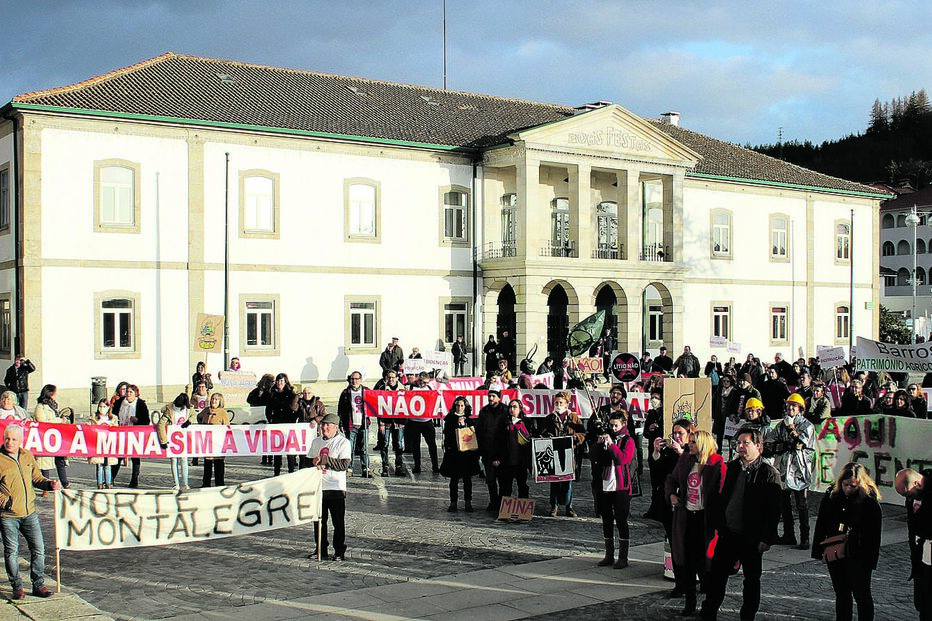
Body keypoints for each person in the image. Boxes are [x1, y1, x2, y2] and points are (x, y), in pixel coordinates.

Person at [701, 427, 781, 621]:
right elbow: (722, 497)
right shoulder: (734, 467)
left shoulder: (768, 473)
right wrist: (719, 522)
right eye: (739, 443)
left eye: (745, 443)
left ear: (758, 446)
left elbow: (773, 510)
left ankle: (747, 616)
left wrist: (766, 537)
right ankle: (709, 611)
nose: (741, 447)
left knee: (751, 580)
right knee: (717, 576)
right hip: (728, 533)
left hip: (752, 537)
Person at [666, 430, 726, 616]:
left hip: (706, 520)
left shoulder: (717, 463)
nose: (689, 445)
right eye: (689, 441)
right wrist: (672, 495)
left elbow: (723, 492)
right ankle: (689, 603)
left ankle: (709, 603)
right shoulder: (685, 460)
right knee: (688, 563)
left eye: (693, 442)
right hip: (687, 517)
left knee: (707, 563)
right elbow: (671, 479)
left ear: (703, 443)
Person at [812, 462, 882, 621]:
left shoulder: (869, 502)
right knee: (841, 592)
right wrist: (818, 550)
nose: (848, 488)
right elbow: (821, 523)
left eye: (853, 486)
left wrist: (870, 561)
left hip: (858, 555)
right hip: (835, 551)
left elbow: (874, 536)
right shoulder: (832, 496)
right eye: (846, 485)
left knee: (861, 594)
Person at [0, 423, 59, 599]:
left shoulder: (27, 456)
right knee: (12, 552)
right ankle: (17, 587)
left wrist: (49, 484)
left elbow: (36, 478)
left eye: (13, 439)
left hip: (29, 513)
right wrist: (5, 502)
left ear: (21, 441)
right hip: (8, 516)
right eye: (7, 438)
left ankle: (38, 585)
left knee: (39, 549)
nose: (9, 442)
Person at [771, 393, 815, 549]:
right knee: (784, 504)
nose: (790, 408)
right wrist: (784, 445)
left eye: (794, 406)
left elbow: (800, 443)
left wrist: (791, 430)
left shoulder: (807, 425)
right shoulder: (779, 425)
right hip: (783, 468)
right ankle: (789, 535)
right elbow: (771, 445)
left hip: (799, 469)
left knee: (801, 504)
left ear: (800, 409)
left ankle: (805, 538)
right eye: (789, 405)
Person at [592, 413, 635, 570]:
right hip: (604, 484)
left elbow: (623, 459)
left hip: (620, 486)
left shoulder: (628, 440)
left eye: (616, 425)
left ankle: (623, 557)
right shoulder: (606, 436)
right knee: (606, 519)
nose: (613, 428)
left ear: (623, 424)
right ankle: (609, 554)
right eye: (611, 425)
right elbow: (592, 456)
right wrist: (598, 444)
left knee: (621, 520)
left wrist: (611, 445)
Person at [308, 412, 351, 562]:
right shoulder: (316, 442)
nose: (324, 427)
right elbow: (307, 462)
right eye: (322, 425)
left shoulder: (343, 443)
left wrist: (325, 460)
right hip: (319, 487)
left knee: (338, 522)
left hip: (335, 487)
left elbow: (344, 465)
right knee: (319, 521)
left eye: (327, 425)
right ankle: (320, 548)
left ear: (335, 427)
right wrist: (312, 462)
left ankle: (339, 550)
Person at [540, 392, 586, 517]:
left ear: (567, 404)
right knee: (554, 480)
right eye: (557, 403)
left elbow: (582, 433)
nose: (559, 405)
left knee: (568, 480)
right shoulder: (550, 418)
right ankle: (554, 506)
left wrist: (577, 437)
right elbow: (543, 432)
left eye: (561, 403)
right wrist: (546, 437)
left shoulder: (574, 417)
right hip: (554, 452)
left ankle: (568, 506)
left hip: (570, 452)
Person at [896, 467, 932, 620]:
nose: (908, 498)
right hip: (920, 557)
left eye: (907, 493)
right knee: (922, 603)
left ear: (917, 483)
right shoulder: (913, 496)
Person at [439, 396, 480, 512]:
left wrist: (466, 426)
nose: (459, 407)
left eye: (462, 405)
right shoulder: (450, 419)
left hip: (467, 453)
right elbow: (447, 434)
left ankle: (468, 502)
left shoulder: (470, 419)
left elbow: (473, 434)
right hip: (454, 453)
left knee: (467, 479)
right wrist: (457, 424)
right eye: (457, 405)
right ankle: (453, 502)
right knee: (454, 479)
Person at [111, 384, 149, 488]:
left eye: (130, 392)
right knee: (118, 457)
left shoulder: (140, 404)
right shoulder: (120, 402)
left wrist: (137, 420)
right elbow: (113, 414)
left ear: (135, 393)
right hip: (121, 433)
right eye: (127, 391)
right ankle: (111, 479)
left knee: (135, 458)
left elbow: (146, 420)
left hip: (134, 434)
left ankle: (134, 480)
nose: (128, 394)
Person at [155, 393, 196, 490]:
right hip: (171, 438)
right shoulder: (169, 410)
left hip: (183, 438)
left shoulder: (188, 409)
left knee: (184, 460)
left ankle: (185, 483)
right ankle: (176, 483)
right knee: (174, 460)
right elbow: (161, 424)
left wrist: (189, 421)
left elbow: (193, 414)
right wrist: (163, 440)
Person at [32, 385, 69, 489]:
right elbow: (42, 421)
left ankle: (65, 483)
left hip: (57, 436)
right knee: (45, 464)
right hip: (46, 436)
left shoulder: (54, 405)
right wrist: (59, 421)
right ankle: (46, 485)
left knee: (60, 460)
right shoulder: (40, 406)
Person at [477, 389, 508, 510]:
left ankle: (502, 501)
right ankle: (493, 501)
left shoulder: (505, 410)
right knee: (490, 479)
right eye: (489, 396)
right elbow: (479, 430)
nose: (490, 398)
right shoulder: (484, 411)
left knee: (503, 479)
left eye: (493, 396)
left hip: (502, 450)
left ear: (499, 398)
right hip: (487, 450)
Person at [337, 371, 373, 477]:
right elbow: (340, 409)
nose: (354, 381)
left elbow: (376, 402)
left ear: (360, 380)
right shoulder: (345, 392)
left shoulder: (366, 391)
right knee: (350, 448)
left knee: (364, 448)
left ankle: (366, 468)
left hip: (364, 424)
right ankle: (349, 468)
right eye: (352, 379)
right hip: (350, 424)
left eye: (356, 379)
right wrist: (341, 423)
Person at [494, 399, 531, 500]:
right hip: (506, 460)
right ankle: (504, 509)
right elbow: (497, 441)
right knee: (505, 486)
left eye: (515, 407)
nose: (512, 409)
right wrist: (496, 457)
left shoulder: (526, 423)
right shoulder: (503, 422)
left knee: (522, 485)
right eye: (510, 407)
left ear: (520, 409)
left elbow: (529, 441)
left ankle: (522, 509)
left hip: (521, 460)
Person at [406, 372, 439, 474]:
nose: (422, 384)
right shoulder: (410, 387)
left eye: (425, 382)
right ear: (418, 380)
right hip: (414, 422)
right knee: (416, 445)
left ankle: (435, 466)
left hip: (427, 421)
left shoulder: (430, 388)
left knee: (432, 445)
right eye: (421, 381)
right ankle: (417, 466)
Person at [268, 373, 299, 476]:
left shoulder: (290, 394)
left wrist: (293, 420)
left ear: (285, 382)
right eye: (278, 381)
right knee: (277, 450)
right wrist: (271, 419)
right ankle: (276, 472)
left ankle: (291, 471)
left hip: (288, 423)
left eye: (281, 381)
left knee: (289, 449)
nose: (279, 383)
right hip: (277, 424)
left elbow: (295, 408)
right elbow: (268, 409)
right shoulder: (272, 393)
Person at [197, 393, 230, 487]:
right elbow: (199, 417)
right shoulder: (206, 410)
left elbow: (227, 427)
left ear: (220, 401)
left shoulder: (222, 412)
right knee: (207, 464)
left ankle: (219, 484)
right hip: (207, 442)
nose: (213, 401)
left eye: (216, 399)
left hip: (218, 443)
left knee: (218, 464)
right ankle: (206, 483)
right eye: (212, 399)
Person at [89, 399, 118, 489]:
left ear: (108, 407)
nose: (102, 408)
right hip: (98, 443)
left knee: (108, 465)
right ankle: (99, 483)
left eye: (104, 407)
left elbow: (117, 429)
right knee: (99, 464)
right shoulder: (94, 417)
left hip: (109, 443)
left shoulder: (113, 418)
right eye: (100, 406)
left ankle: (109, 482)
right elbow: (90, 429)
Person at [247, 373, 275, 465]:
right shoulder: (259, 391)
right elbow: (249, 400)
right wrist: (259, 395)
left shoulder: (273, 391)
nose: (274, 383)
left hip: (270, 416)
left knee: (270, 437)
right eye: (272, 381)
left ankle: (270, 456)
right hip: (260, 417)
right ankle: (264, 456)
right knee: (264, 438)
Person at [296, 386, 326, 469]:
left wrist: (315, 420)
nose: (306, 395)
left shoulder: (318, 404)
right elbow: (293, 409)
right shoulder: (300, 403)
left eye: (308, 393)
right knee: (302, 453)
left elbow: (323, 416)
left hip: (315, 431)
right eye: (304, 393)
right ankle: (301, 469)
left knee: (314, 451)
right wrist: (296, 396)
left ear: (312, 394)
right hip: (302, 431)